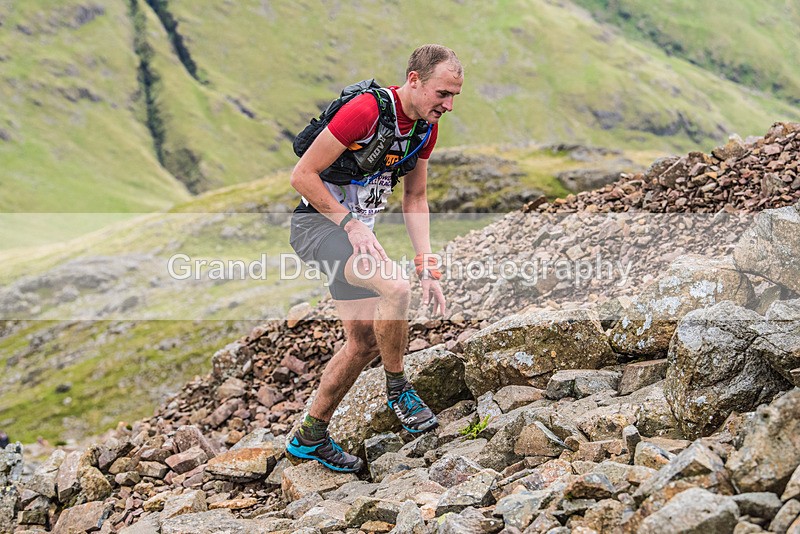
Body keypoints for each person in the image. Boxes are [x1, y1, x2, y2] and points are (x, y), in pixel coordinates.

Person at [286, 44, 463, 472]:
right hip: (319, 229)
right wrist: (350, 224)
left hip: (356, 238)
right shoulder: (365, 111)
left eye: (455, 96)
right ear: (414, 80)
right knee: (394, 287)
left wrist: (428, 265)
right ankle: (399, 387)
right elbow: (302, 176)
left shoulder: (424, 128)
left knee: (363, 341)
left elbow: (415, 197)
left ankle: (310, 437)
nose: (449, 105)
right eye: (442, 93)